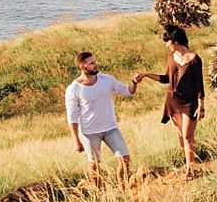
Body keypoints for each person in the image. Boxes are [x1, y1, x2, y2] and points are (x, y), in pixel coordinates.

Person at [136, 25, 205, 176]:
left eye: (168, 42)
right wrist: (146, 75)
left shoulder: (194, 59)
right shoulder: (171, 58)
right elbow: (166, 79)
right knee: (181, 136)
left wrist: (201, 105)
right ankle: (188, 163)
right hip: (173, 101)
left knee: (188, 136)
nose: (167, 45)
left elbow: (200, 84)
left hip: (189, 103)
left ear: (175, 41)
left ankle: (190, 170)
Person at [65, 51, 132, 182]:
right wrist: (76, 141)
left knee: (125, 159)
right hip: (89, 133)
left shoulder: (106, 79)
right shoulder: (73, 89)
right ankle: (99, 195)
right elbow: (72, 117)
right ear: (83, 67)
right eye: (92, 63)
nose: (96, 65)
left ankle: (123, 191)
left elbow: (127, 91)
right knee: (94, 165)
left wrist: (134, 82)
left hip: (111, 128)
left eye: (95, 62)